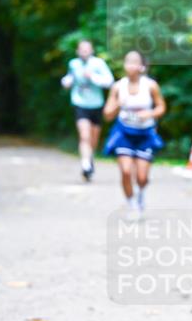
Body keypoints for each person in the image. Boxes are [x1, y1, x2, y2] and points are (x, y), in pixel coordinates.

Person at [102, 50, 166, 220]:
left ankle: (141, 193)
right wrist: (117, 105)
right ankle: (132, 205)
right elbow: (107, 114)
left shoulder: (151, 86)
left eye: (134, 62)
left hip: (145, 133)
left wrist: (150, 114)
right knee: (125, 171)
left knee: (142, 177)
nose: (130, 65)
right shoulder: (118, 87)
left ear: (141, 66)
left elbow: (161, 107)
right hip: (124, 132)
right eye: (127, 62)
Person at [61, 40, 114, 180]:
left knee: (93, 139)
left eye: (87, 49)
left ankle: (89, 160)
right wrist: (66, 82)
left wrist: (93, 77)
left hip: (96, 104)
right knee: (84, 135)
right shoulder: (73, 64)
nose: (84, 52)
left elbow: (110, 82)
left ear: (92, 51)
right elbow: (70, 78)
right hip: (80, 103)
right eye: (82, 49)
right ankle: (85, 164)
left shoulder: (99, 64)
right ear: (77, 51)